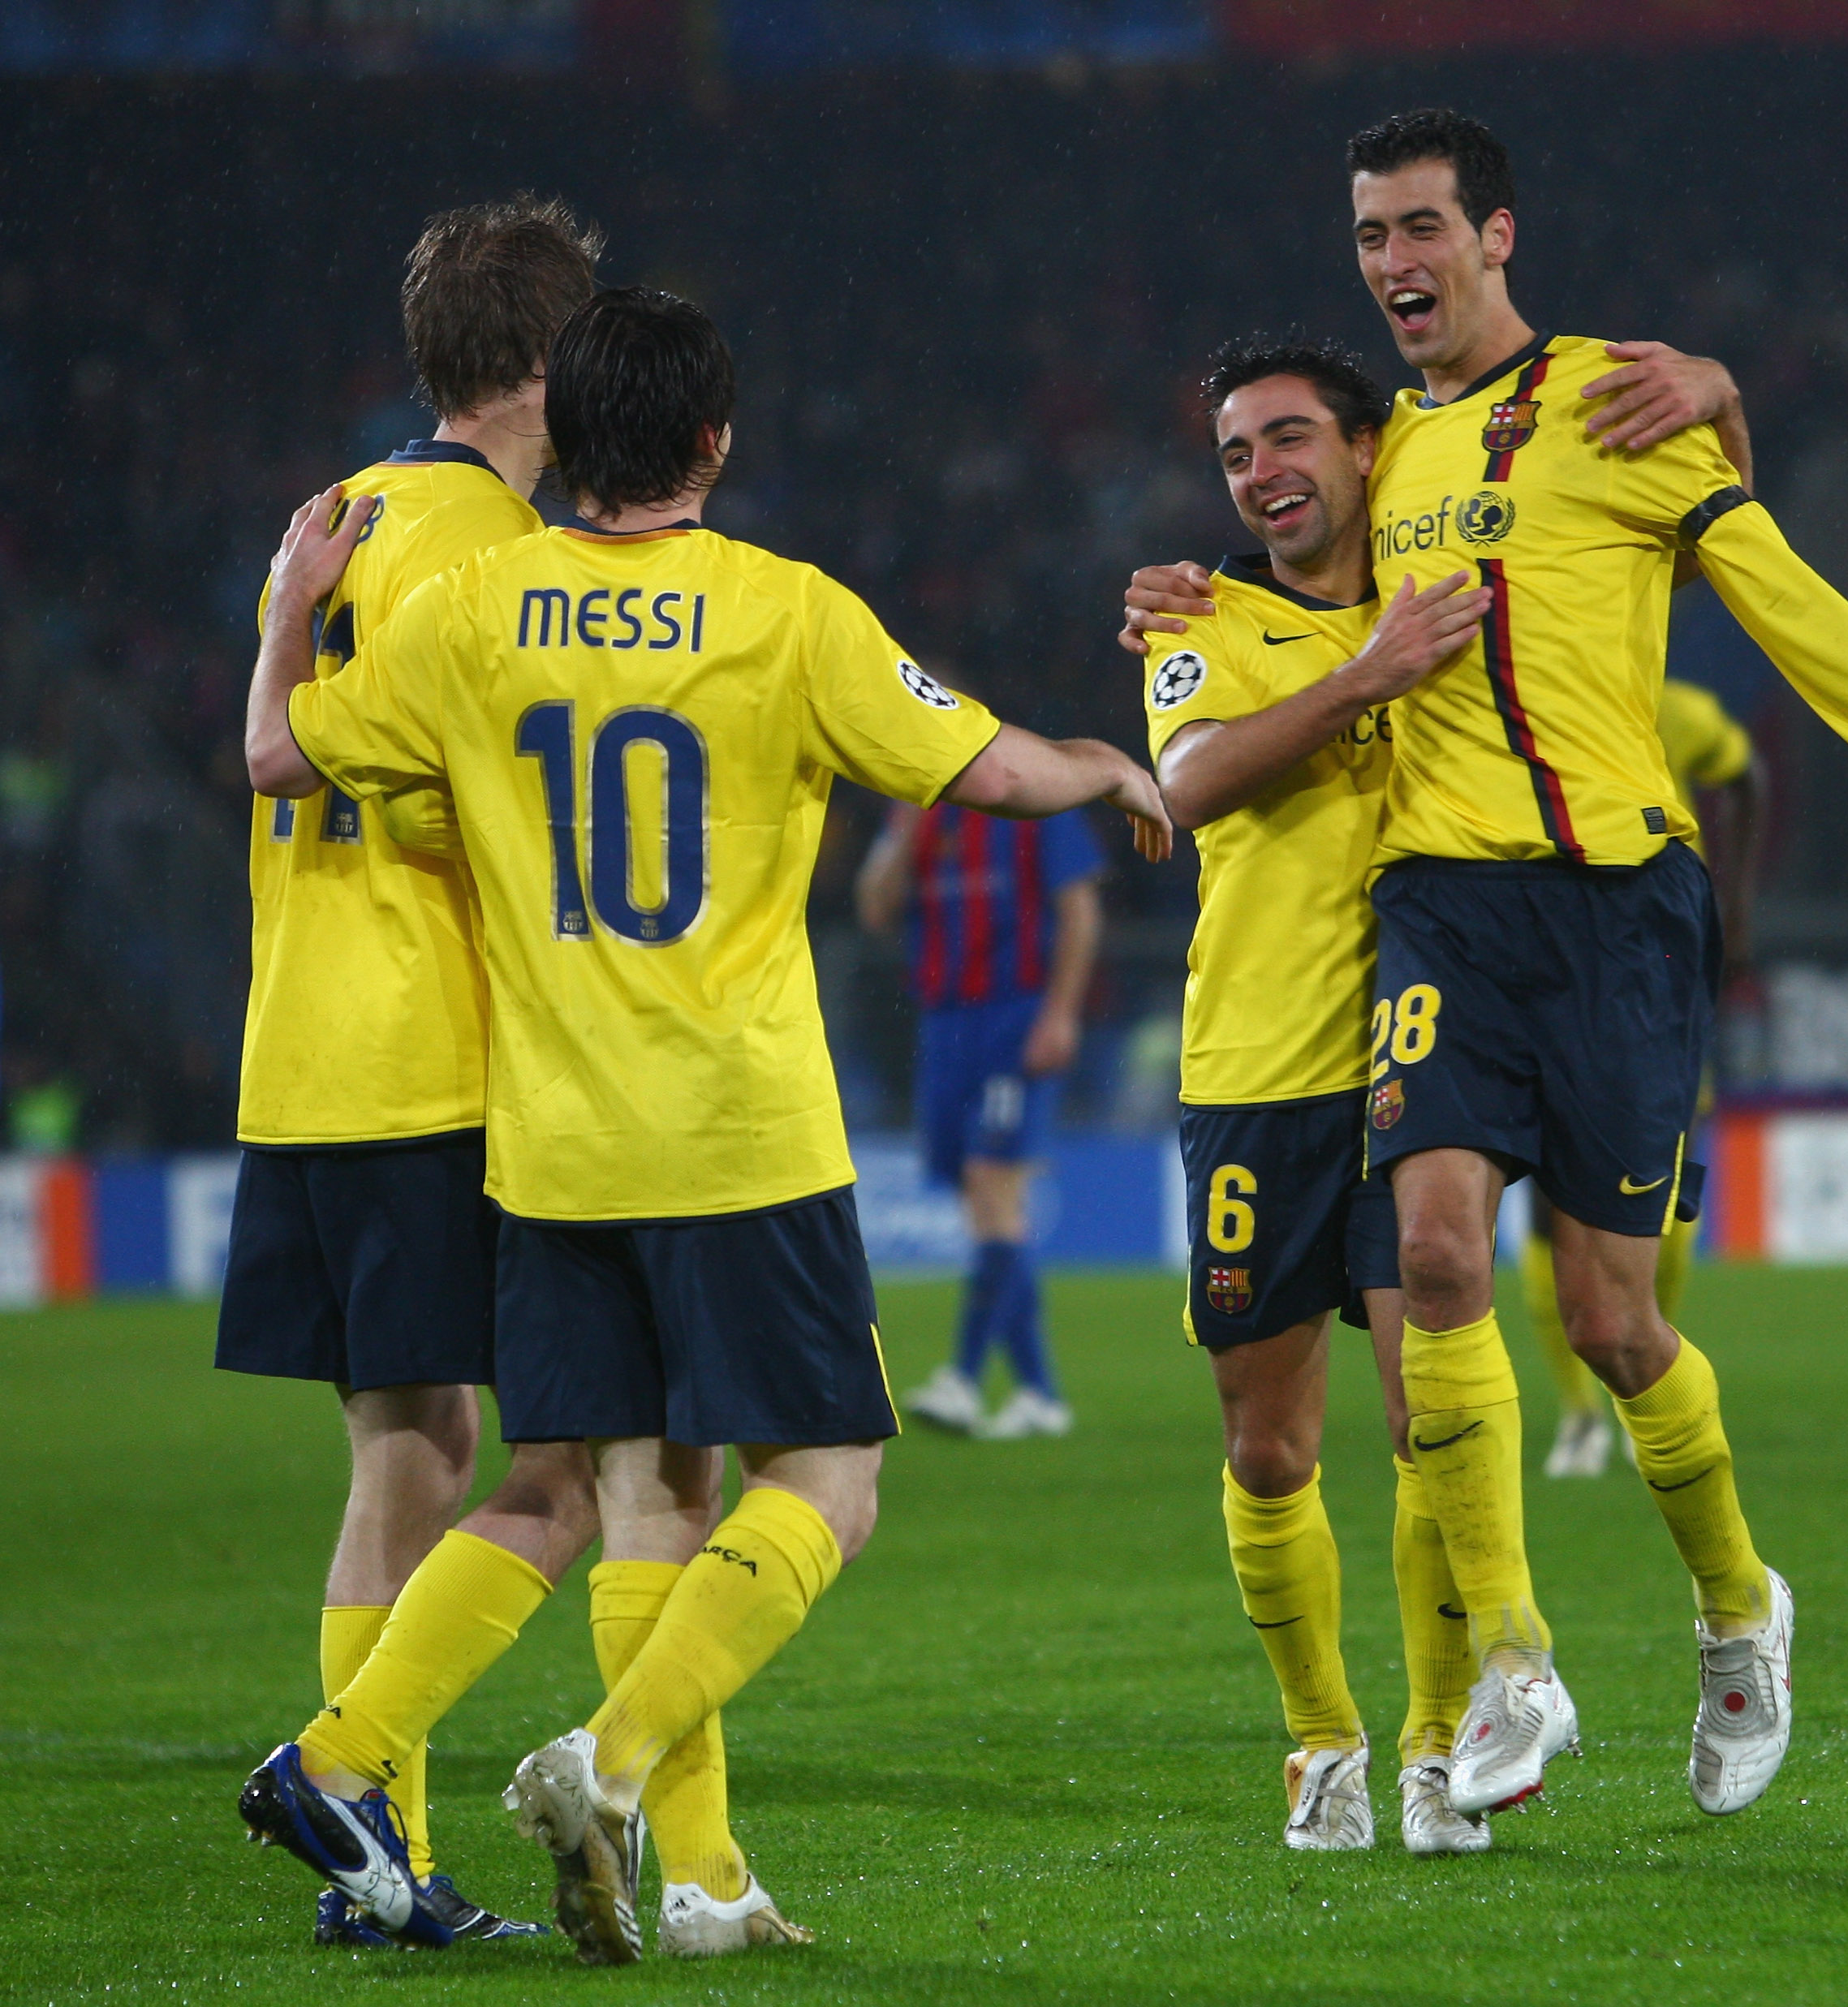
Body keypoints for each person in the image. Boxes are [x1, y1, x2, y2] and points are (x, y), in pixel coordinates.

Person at [1134, 108, 1848, 1823]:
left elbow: (1795, 605)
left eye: (1421, 229)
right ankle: (1512, 1661)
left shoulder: (1612, 402)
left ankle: (1739, 1606)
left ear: (1499, 236)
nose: (1394, 265)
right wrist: (1191, 593)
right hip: (1443, 911)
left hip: (1620, 909)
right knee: (1433, 1256)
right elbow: (1279, 607)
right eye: (1369, 238)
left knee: (1613, 1318)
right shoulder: (1388, 460)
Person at [236, 286, 1170, 1965]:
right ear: (714, 443)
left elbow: (277, 757)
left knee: (623, 1486)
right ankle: (611, 1758)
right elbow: (989, 772)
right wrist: (1108, 762)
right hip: (739, 1135)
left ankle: (582, 1837)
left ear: (566, 437)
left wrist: (292, 615)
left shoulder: (464, 610)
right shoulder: (784, 612)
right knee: (835, 1477)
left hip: (551, 1147)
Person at [213, 196, 604, 1949]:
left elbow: (276, 746)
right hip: (435, 1053)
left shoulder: (338, 521)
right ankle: (359, 1795)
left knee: (409, 1453)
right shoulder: (497, 558)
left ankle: (377, 1867)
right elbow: (493, 807)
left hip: (303, 1047)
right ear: (551, 360)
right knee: (555, 1470)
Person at [1141, 335, 1489, 1854]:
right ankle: (1320, 1738)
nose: (1264, 471)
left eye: (1289, 437)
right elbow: (1189, 785)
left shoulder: (1455, 604)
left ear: (1368, 448)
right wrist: (1369, 677)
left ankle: (1431, 1745)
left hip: (1415, 1067)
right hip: (1253, 1071)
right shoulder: (1201, 620)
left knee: (1434, 1423)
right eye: (1235, 453)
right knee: (1270, 1447)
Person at [1524, 676, 1767, 1479]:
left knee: (1659, 1195)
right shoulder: (1531, 677)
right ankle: (1580, 1414)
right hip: (1544, 946)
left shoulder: (1679, 708)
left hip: (1652, 958)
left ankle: (1641, 1376)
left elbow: (1745, 778)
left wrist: (1736, 902)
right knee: (1544, 1202)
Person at [858, 790, 1105, 1439]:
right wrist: (904, 830)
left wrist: (1060, 1013)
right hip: (943, 1026)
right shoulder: (920, 813)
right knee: (987, 1204)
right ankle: (1039, 1392)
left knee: (993, 1185)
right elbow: (876, 906)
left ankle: (963, 1378)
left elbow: (1079, 908)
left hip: (1014, 1016)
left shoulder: (1036, 804)